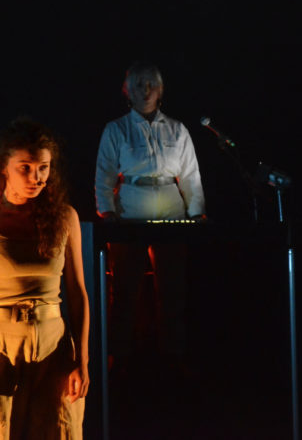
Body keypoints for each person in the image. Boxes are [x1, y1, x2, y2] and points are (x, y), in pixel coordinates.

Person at [0, 117, 89, 439]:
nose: (36, 177)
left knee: (59, 430)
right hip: (1, 344)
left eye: (43, 167)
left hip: (53, 340)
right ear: (4, 167)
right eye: (25, 168)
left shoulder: (65, 217)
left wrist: (82, 361)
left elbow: (77, 292)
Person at [95, 61, 204, 371]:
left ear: (160, 90)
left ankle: (173, 357)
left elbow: (190, 175)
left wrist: (196, 213)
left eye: (150, 84)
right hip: (129, 213)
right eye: (138, 84)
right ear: (127, 91)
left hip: (172, 212)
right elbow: (104, 173)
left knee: (173, 289)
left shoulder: (177, 129)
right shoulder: (116, 129)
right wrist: (107, 212)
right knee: (125, 289)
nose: (145, 90)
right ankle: (120, 359)